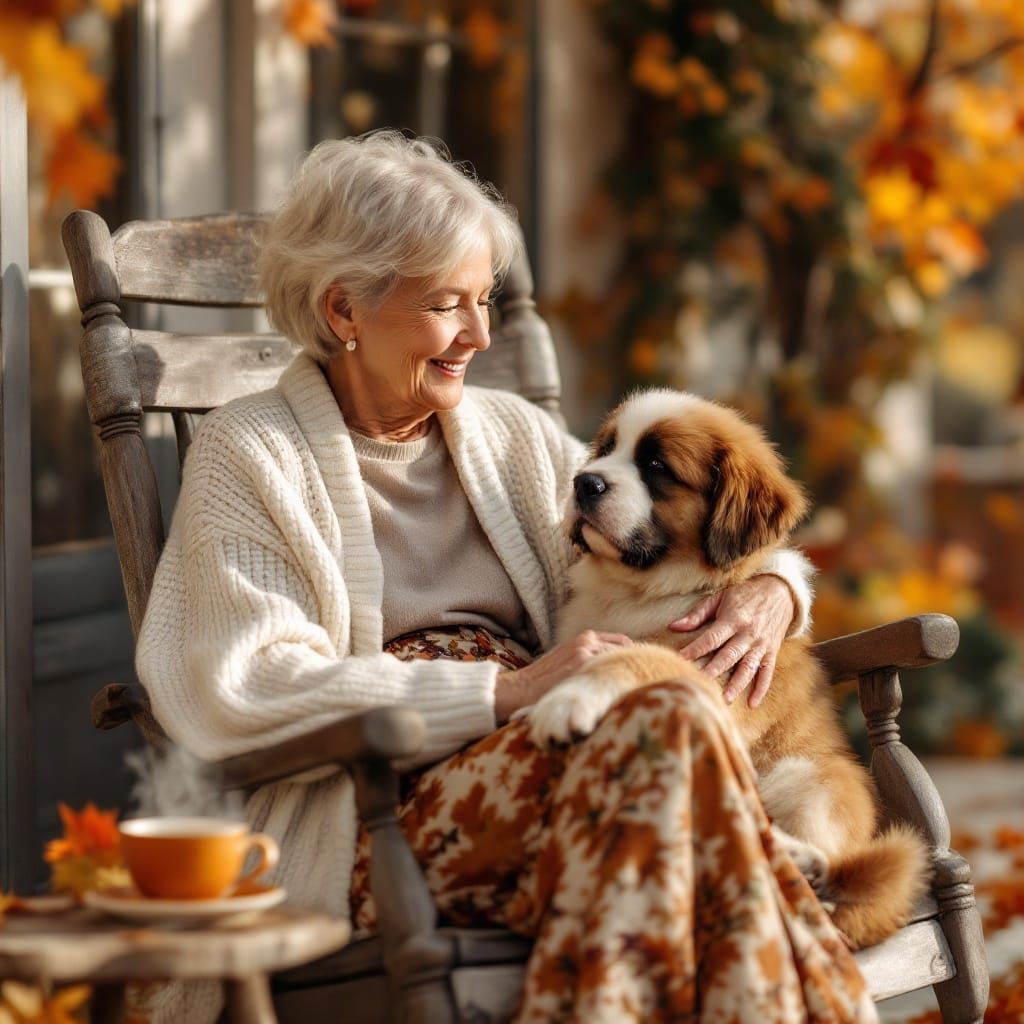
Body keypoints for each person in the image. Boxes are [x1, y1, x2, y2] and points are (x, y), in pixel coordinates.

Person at [136, 130, 876, 1022]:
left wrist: (777, 588)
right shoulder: (248, 454)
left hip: (576, 764)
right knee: (671, 721)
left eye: (485, 301)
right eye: (450, 306)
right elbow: (238, 685)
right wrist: (500, 693)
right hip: (377, 810)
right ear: (345, 310)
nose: (481, 336)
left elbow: (675, 533)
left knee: (670, 753)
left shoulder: (508, 436)